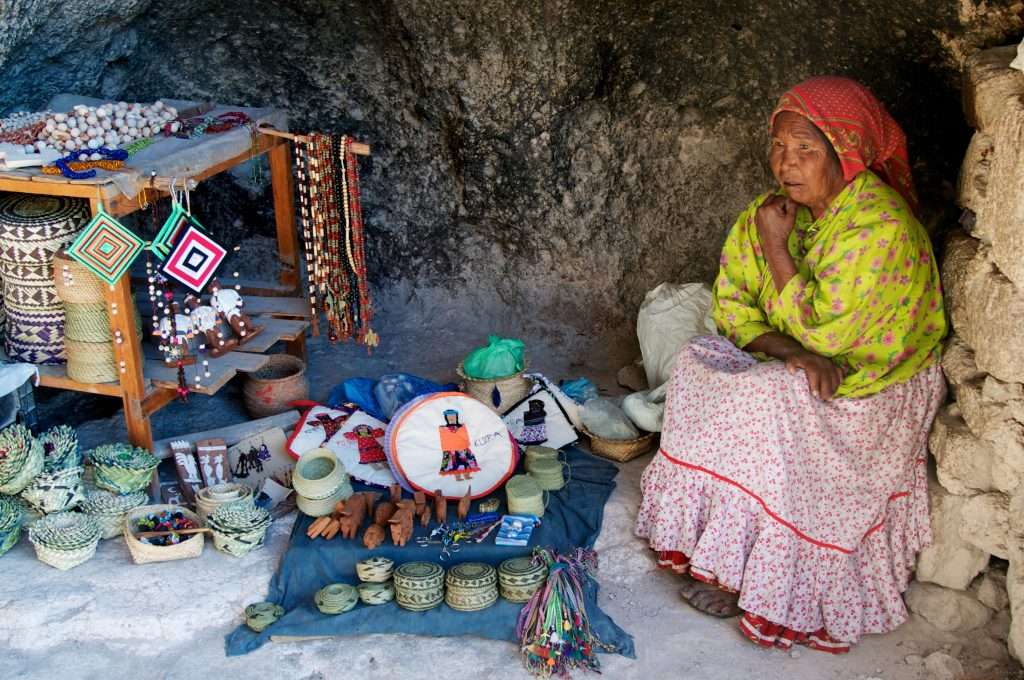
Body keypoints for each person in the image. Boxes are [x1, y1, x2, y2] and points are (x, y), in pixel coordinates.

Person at [635, 76, 947, 654]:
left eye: (806, 149)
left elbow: (830, 335)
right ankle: (717, 547)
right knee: (699, 366)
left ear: (845, 153)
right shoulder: (772, 213)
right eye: (779, 146)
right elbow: (732, 306)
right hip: (810, 361)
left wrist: (778, 253)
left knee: (767, 398)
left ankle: (749, 575)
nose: (786, 163)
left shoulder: (879, 229)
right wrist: (790, 351)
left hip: (873, 385)